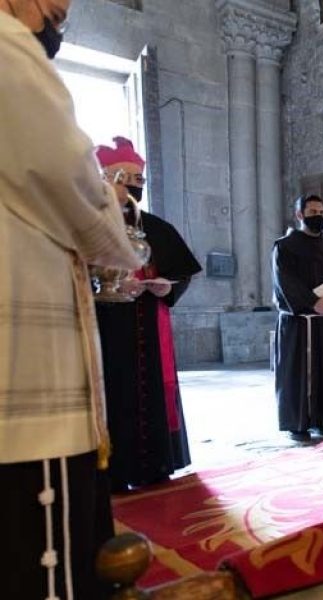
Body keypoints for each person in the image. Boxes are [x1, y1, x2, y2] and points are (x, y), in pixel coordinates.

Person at [1, 2, 143, 596]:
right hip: (26, 395)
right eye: (53, 5)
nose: (61, 13)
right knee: (49, 571)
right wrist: (122, 236)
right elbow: (73, 180)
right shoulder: (9, 50)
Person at [94, 137, 203, 490]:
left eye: (139, 177)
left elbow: (181, 271)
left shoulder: (156, 227)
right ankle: (112, 471)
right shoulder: (90, 227)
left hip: (149, 325)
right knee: (115, 393)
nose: (134, 184)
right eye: (125, 177)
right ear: (105, 179)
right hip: (106, 327)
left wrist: (166, 286)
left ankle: (155, 463)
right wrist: (106, 288)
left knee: (150, 393)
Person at [273, 195, 323, 440]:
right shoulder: (285, 246)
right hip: (300, 323)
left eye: (321, 210)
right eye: (312, 211)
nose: (318, 215)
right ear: (300, 215)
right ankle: (298, 423)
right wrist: (312, 302)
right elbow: (284, 282)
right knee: (299, 374)